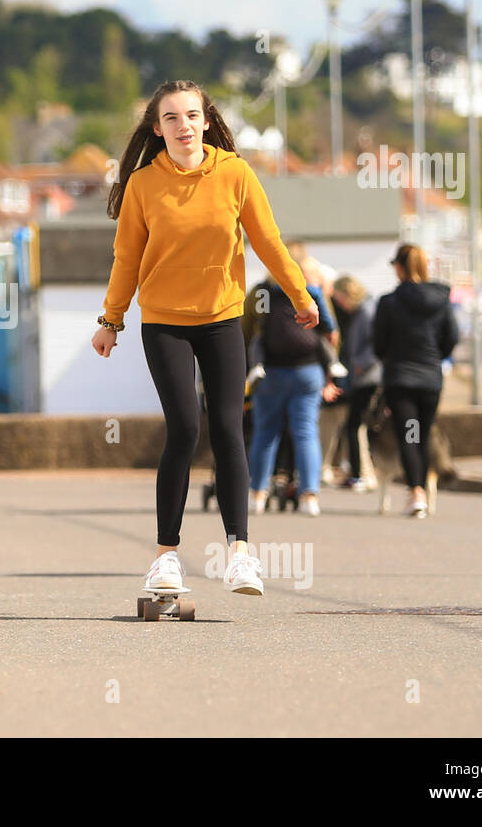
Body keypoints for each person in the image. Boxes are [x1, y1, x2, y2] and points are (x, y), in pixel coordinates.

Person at [93, 79, 320, 597]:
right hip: (165, 321)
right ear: (158, 128)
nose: (183, 126)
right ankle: (165, 558)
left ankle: (240, 553)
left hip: (221, 316)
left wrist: (301, 296)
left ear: (207, 122)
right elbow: (126, 259)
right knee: (183, 427)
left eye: (192, 116)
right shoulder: (143, 186)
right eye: (171, 118)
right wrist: (111, 321)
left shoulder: (235, 174)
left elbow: (268, 240)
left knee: (227, 427)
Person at [243, 259, 342, 517]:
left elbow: (246, 329)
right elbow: (330, 332)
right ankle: (309, 495)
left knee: (265, 433)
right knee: (306, 432)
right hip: (308, 371)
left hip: (270, 372)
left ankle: (257, 494)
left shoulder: (262, 292)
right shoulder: (311, 292)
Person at [372, 244, 460, 518]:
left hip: (400, 379)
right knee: (422, 433)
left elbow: (378, 343)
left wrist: (391, 357)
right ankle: (421, 488)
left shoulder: (389, 302)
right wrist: (436, 356)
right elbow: (452, 337)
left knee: (407, 435)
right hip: (431, 379)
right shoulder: (441, 299)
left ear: (399, 266)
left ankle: (416, 492)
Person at [331, 275, 383, 490]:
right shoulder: (364, 310)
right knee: (356, 426)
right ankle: (358, 472)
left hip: (368, 377)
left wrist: (362, 363)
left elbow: (376, 343)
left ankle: (360, 474)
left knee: (355, 425)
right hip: (364, 376)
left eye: (340, 298)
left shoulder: (366, 311)